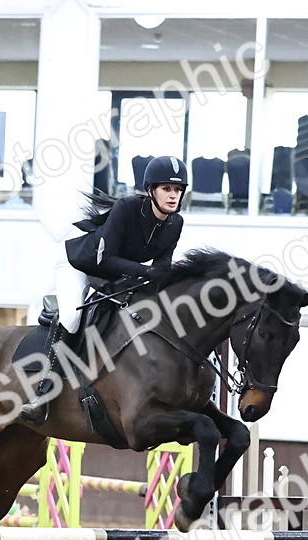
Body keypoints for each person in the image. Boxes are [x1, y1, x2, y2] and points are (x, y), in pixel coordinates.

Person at [19, 155, 188, 423]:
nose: (173, 196)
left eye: (178, 190)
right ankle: (42, 393)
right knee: (73, 317)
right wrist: (146, 272)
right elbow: (104, 258)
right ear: (151, 190)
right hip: (79, 265)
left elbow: (162, 269)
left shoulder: (175, 223)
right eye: (166, 188)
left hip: (115, 273)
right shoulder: (128, 207)